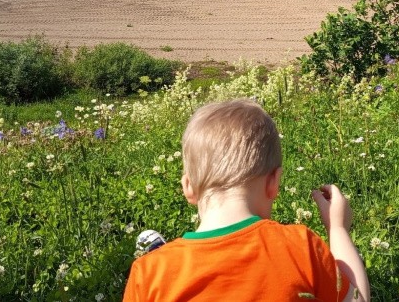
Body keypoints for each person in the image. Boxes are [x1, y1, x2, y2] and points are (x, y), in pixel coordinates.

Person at [122, 99, 370, 302]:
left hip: (162, 271)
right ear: (274, 183)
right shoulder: (301, 246)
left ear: (188, 188)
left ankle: (165, 253)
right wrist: (337, 229)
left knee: (164, 266)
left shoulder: (146, 272)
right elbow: (356, 299)